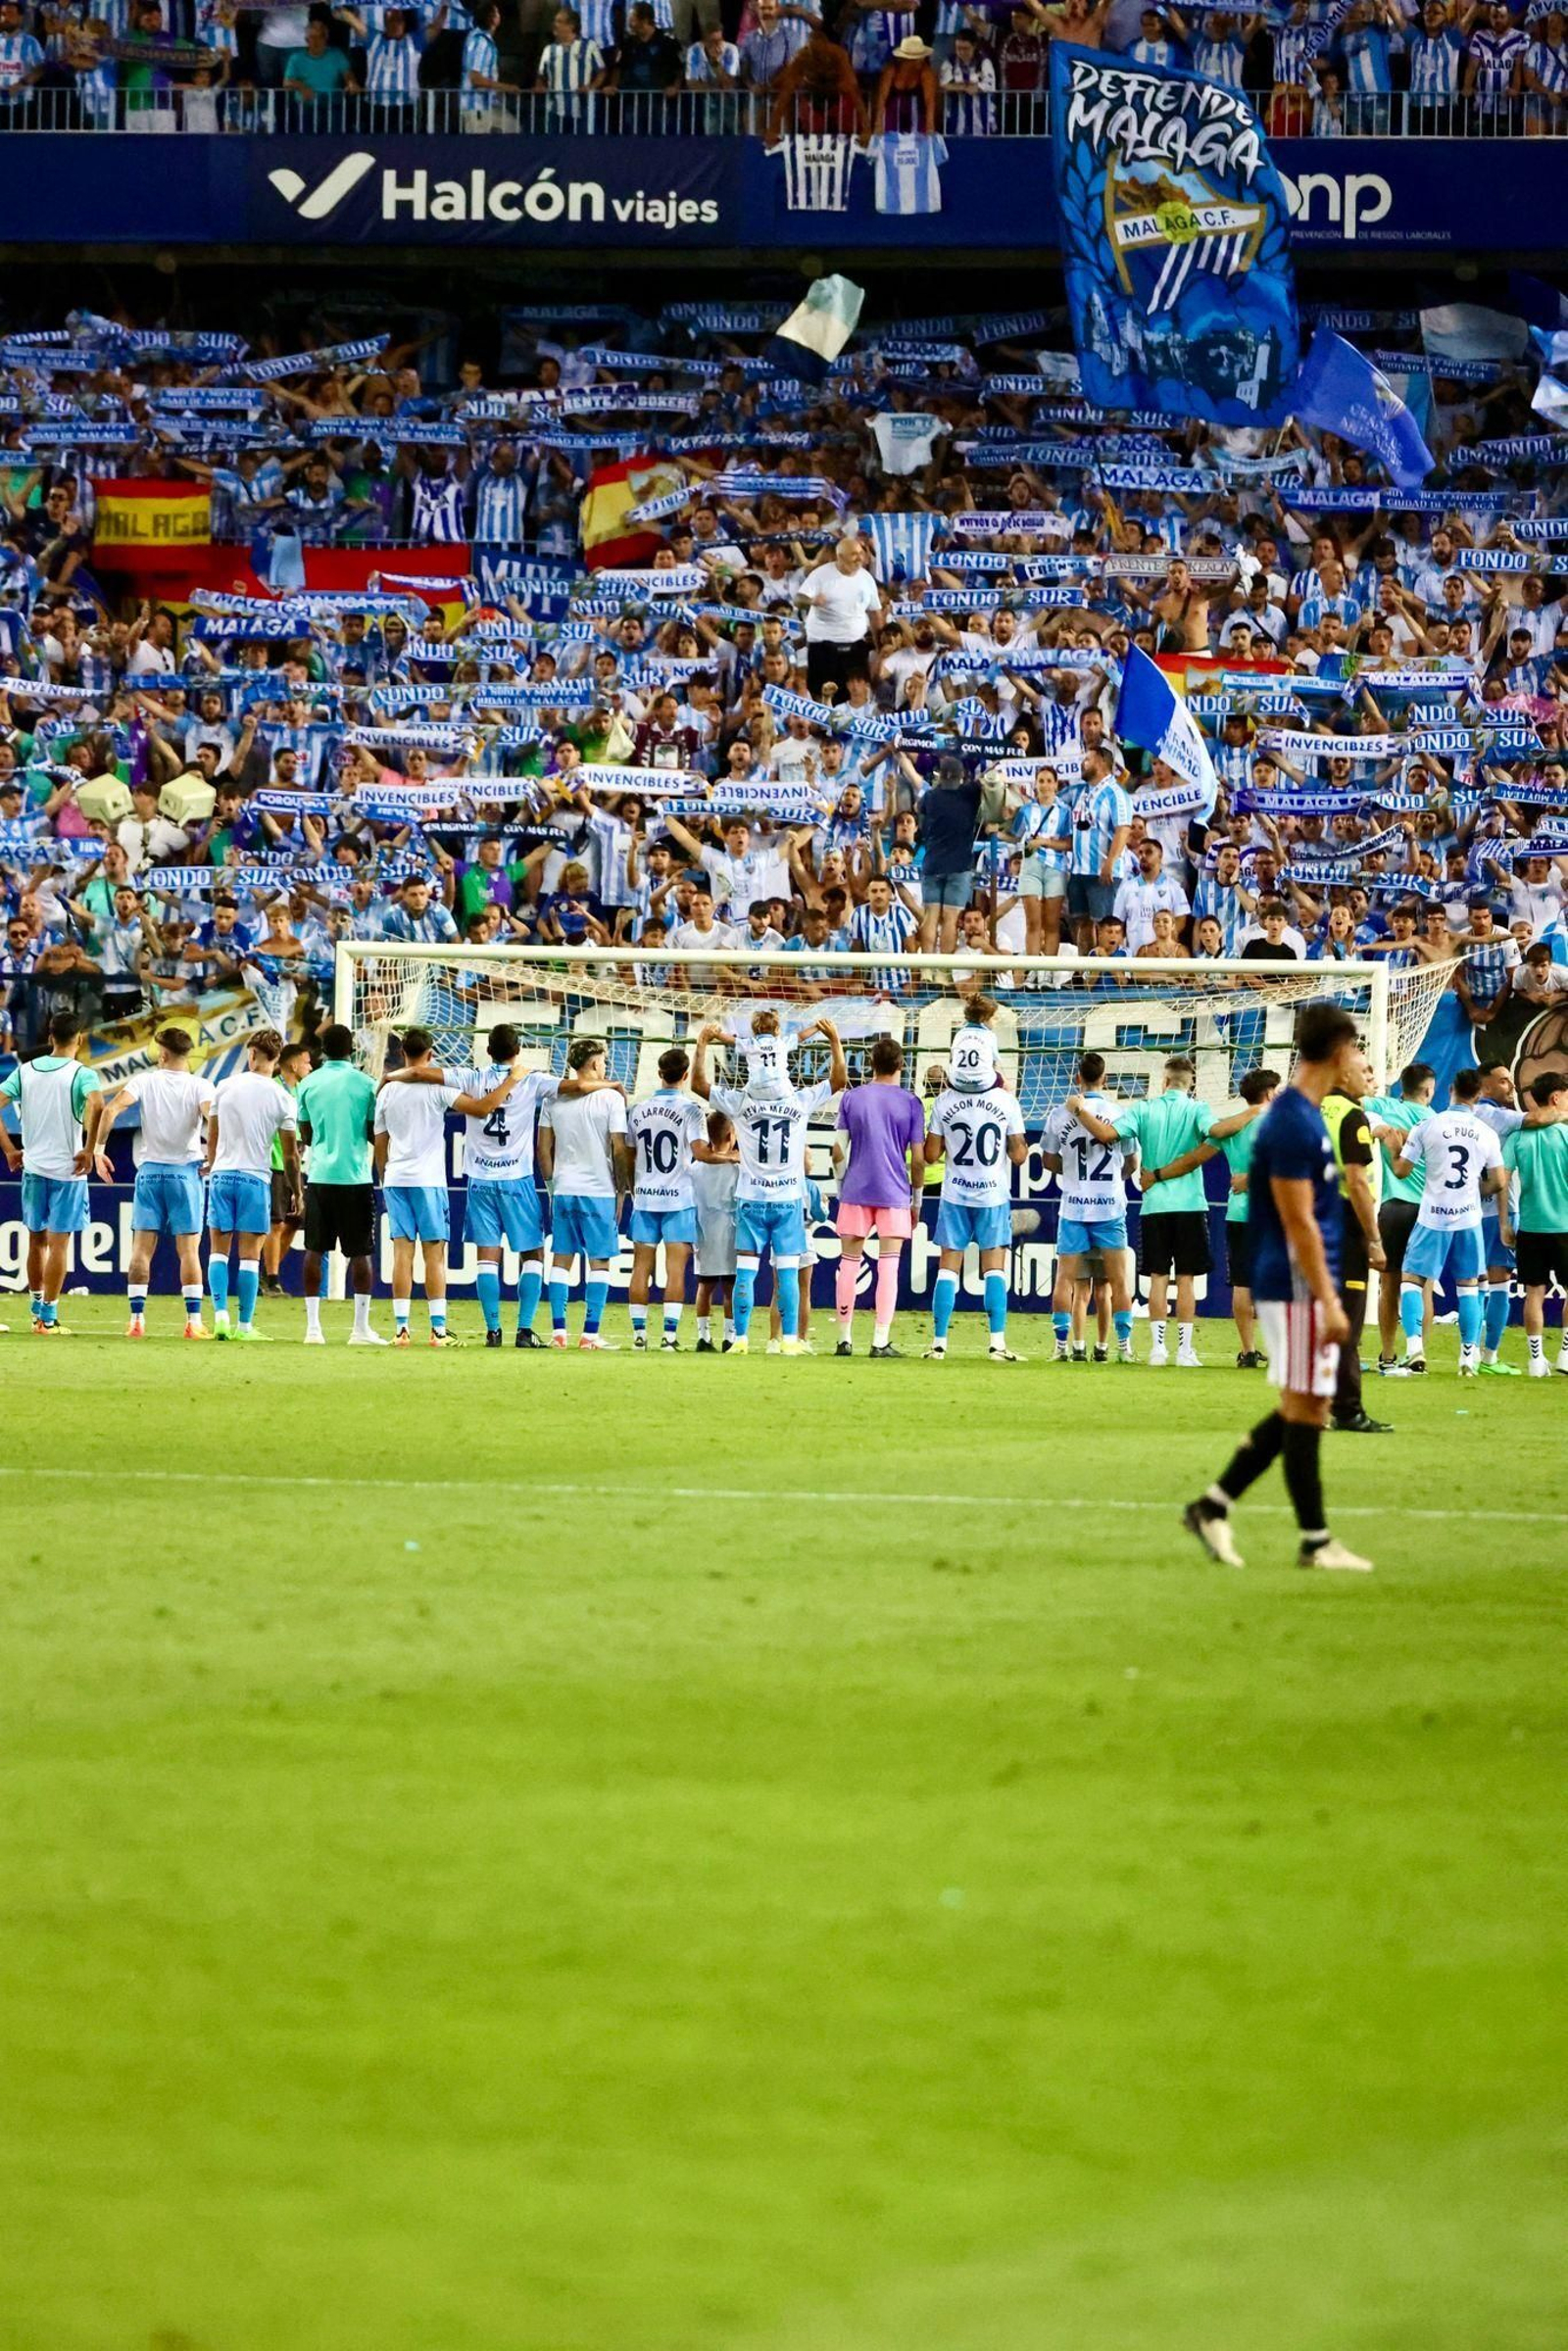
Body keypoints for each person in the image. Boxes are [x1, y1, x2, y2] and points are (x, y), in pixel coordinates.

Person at [1183, 1003, 1375, 1576]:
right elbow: (1300, 1223)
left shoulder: (1305, 1116)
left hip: (1295, 1282)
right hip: (1293, 1284)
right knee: (1306, 1407)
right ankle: (1314, 1541)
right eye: (1358, 1048)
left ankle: (1213, 1506)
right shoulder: (1293, 1122)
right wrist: (1330, 1297)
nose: (1362, 1060)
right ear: (1339, 1051)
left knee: (1303, 1404)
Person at [387, 1021, 561, 1349]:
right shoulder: (533, 1080)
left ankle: (493, 1331)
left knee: (487, 1256)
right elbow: (573, 1087)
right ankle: (524, 1330)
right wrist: (609, 1085)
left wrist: (389, 1076)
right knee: (532, 1253)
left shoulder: (470, 1077)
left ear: (488, 1050)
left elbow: (422, 1073)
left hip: (480, 1180)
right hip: (517, 1179)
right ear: (518, 1050)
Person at [693, 1008, 847, 1356]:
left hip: (750, 1198)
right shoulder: (799, 1100)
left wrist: (702, 1044)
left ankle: (742, 1339)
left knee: (746, 1270)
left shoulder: (740, 1101)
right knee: (789, 1271)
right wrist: (834, 1041)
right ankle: (789, 1340)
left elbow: (699, 1085)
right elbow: (838, 1081)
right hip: (787, 1199)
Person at [1068, 1053, 1215, 1368]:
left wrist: (1080, 1110)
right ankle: (1185, 1352)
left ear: (1163, 1082)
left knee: (1159, 1277)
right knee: (1186, 1279)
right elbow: (1215, 1134)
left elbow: (1106, 1135)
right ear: (1191, 1084)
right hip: (1190, 1204)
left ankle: (1157, 1351)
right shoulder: (1198, 1109)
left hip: (1155, 1206)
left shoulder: (1144, 1109)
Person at [373, 1027, 514, 1349]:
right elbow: (481, 1108)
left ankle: (401, 1329)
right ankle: (438, 1331)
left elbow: (380, 1144)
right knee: (434, 1255)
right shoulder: (437, 1089)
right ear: (430, 1055)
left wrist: (386, 1177)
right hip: (428, 1181)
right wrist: (511, 1081)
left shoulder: (386, 1092)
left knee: (401, 1254)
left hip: (396, 1179)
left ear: (401, 1054)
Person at [1384, 1065, 1508, 1377]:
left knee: (1412, 1280)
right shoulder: (1487, 1133)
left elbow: (1401, 1170)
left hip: (1432, 1216)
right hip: (1468, 1217)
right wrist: (1475, 1191)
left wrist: (1391, 1148)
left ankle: (1414, 1349)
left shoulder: (1428, 1125)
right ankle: (1468, 1356)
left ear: (1450, 1089)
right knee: (1468, 1286)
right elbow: (1498, 1181)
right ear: (1478, 1095)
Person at [923, 996, 1028, 1363]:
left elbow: (930, 1156)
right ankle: (997, 1344)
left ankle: (938, 1343)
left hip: (955, 1193)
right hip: (992, 1194)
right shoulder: (1005, 1101)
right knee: (994, 1267)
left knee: (947, 1268)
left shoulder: (944, 1101)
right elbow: (1018, 1155)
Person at [93, 1026, 216, 1341]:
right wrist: (214, 1156)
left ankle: (136, 1319)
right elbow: (213, 1120)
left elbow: (111, 1109)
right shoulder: (201, 1086)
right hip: (184, 1174)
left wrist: (98, 1151)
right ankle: (193, 1321)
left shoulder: (145, 1081)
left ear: (163, 1054)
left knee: (140, 1250)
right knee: (188, 1251)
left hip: (149, 1173)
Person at [0, 1007, 105, 1336]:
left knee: (36, 1241)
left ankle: (35, 1311)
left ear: (49, 1038)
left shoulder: (26, 1071)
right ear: (80, 1039)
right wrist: (89, 1149)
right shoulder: (82, 1074)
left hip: (33, 1167)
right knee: (60, 1244)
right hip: (68, 1170)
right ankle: (48, 1316)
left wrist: (9, 1150)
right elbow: (98, 1104)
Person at [203, 1029, 301, 1343]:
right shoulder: (283, 1098)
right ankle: (244, 1326)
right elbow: (290, 1154)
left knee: (218, 1251)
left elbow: (213, 1134)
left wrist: (212, 1163)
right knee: (249, 1256)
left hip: (222, 1175)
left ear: (252, 1055)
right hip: (255, 1178)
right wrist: (296, 1190)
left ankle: (219, 1316)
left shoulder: (225, 1086)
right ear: (276, 1060)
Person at [832, 1035, 925, 1357]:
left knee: (848, 1263)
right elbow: (918, 1157)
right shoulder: (911, 1102)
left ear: (871, 1064)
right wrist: (917, 1201)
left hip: (856, 1189)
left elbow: (836, 1150)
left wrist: (842, 1185)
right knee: (889, 1265)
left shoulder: (851, 1099)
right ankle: (880, 1340)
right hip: (894, 1192)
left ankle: (843, 1339)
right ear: (901, 1065)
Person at [537, 1037, 633, 1350]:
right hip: (598, 1190)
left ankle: (558, 1333)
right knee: (600, 1262)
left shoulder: (553, 1099)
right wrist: (621, 1189)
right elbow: (619, 1148)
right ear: (594, 1063)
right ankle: (590, 1335)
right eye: (603, 1060)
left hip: (564, 1188)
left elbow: (543, 1149)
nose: (604, 1065)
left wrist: (552, 1187)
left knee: (561, 1260)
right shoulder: (611, 1099)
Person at [1042, 1050, 1137, 1365]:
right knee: (1119, 1282)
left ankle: (1061, 1348)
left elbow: (1047, 1159)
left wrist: (1069, 1171)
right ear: (1105, 1079)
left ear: (1077, 1077)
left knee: (1065, 1280)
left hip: (1074, 1208)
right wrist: (1115, 1178)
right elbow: (1132, 1162)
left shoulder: (1059, 1114)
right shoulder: (1120, 1113)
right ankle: (1123, 1348)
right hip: (1110, 1207)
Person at [297, 1022, 381, 1347]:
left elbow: (305, 1133)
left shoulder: (308, 1083)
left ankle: (313, 1329)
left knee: (314, 1251)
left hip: (319, 1175)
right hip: (355, 1176)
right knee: (360, 1252)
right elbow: (373, 1132)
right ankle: (360, 1329)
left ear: (323, 1050)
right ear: (351, 1049)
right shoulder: (367, 1085)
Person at [1320, 1055, 1392, 1434]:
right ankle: (1346, 1411)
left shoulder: (1310, 1112)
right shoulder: (1351, 1117)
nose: (1372, 1075)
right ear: (1343, 1073)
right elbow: (1358, 1182)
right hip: (1344, 1230)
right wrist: (1375, 1240)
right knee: (1344, 1323)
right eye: (1366, 1069)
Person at [627, 1047, 709, 1350]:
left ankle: (638, 1337)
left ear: (659, 1074)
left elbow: (629, 1152)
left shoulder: (637, 1110)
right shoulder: (691, 1111)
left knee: (640, 1268)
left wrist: (633, 1186)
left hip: (646, 1199)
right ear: (685, 1075)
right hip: (679, 1201)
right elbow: (700, 1151)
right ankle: (669, 1338)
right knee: (675, 1270)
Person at [1205, 1068, 1281, 1369]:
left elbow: (1212, 1136)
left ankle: (1247, 1350)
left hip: (1238, 1212)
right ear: (1271, 1093)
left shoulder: (1233, 1127)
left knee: (1242, 1282)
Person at [1363, 1059, 1436, 1376]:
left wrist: (1368, 1088)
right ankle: (1417, 1351)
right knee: (1424, 1286)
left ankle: (1389, 1355)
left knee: (1388, 1283)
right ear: (1429, 1091)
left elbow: (1349, 1100)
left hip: (1394, 1207)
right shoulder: (1437, 1122)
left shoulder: (1384, 1106)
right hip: (1430, 1212)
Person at [1501, 1073, 1568, 1378]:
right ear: (1555, 1098)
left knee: (1534, 1293)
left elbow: (1501, 1181)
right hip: (1565, 1226)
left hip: (1530, 1227)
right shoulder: (1566, 1136)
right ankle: (1565, 1354)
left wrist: (1505, 1222)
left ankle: (1535, 1361)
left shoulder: (1518, 1136)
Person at [1473, 1060, 1526, 1374]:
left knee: (1471, 1284)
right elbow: (1538, 1119)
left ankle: (1469, 1354)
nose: (1512, 1086)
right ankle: (1490, 1357)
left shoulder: (1464, 1116)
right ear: (1486, 1087)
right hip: (1498, 1213)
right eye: (1504, 1081)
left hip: (1466, 1213)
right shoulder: (1501, 1117)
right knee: (1499, 1283)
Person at [798, 535, 883, 703]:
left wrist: (879, 644)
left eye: (860, 553)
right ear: (840, 557)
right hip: (823, 648)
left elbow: (875, 614)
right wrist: (812, 600)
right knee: (822, 693)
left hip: (855, 647)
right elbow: (798, 599)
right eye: (853, 554)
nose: (859, 558)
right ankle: (823, 728)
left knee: (854, 694)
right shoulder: (821, 575)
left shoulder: (866, 578)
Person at [262, 1036, 311, 1296]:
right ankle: (271, 1280)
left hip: (296, 1163)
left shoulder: (303, 1091)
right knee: (277, 1223)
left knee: (296, 1220)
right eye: (306, 1062)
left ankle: (266, 1273)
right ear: (292, 1065)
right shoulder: (271, 1088)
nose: (310, 1067)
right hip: (274, 1164)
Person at [691, 1107, 739, 1352]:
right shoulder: (738, 1167)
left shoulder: (695, 1168)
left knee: (705, 1286)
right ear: (731, 1135)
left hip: (704, 1230)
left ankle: (703, 1336)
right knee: (731, 1287)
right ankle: (730, 1337)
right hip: (731, 1233)